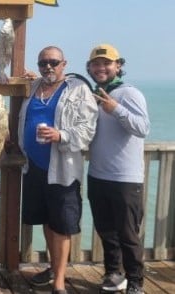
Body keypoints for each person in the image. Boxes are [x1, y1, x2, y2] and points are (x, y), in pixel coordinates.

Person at [18, 46, 98, 294]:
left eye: (53, 62)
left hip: (62, 169)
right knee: (47, 221)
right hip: (33, 167)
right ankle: (54, 268)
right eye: (43, 63)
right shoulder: (33, 87)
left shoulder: (78, 90)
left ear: (64, 63)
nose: (48, 67)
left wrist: (59, 134)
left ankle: (60, 283)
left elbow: (87, 131)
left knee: (62, 225)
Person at [86, 44, 150, 294]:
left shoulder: (129, 93)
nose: (101, 68)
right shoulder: (95, 94)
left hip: (126, 178)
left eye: (106, 63)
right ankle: (113, 273)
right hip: (97, 174)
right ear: (89, 67)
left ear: (118, 66)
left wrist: (116, 109)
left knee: (128, 235)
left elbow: (143, 128)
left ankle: (136, 281)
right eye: (96, 64)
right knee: (106, 231)